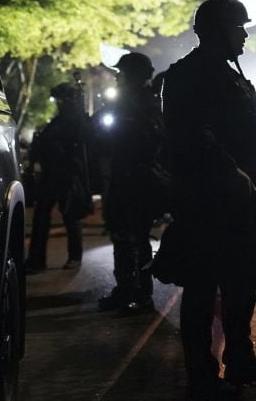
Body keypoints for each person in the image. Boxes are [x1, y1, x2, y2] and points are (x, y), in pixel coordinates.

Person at [162, 0, 256, 400]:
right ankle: (201, 375)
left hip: (239, 199)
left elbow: (251, 131)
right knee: (201, 288)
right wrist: (229, 173)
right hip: (204, 199)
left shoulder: (234, 76)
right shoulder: (185, 76)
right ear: (217, 31)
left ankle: (240, 360)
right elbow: (192, 136)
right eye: (238, 28)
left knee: (243, 281)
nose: (245, 35)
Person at [95, 52, 166, 314]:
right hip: (121, 176)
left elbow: (152, 141)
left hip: (138, 179)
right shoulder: (125, 103)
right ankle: (125, 289)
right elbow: (99, 133)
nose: (118, 78)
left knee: (136, 238)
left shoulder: (146, 105)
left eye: (123, 73)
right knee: (121, 236)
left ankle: (142, 294)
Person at [25, 82, 94, 272]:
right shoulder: (60, 120)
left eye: (62, 99)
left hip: (67, 173)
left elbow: (77, 146)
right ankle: (37, 259)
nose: (59, 103)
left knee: (70, 216)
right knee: (42, 217)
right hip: (52, 173)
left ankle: (74, 257)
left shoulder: (76, 120)